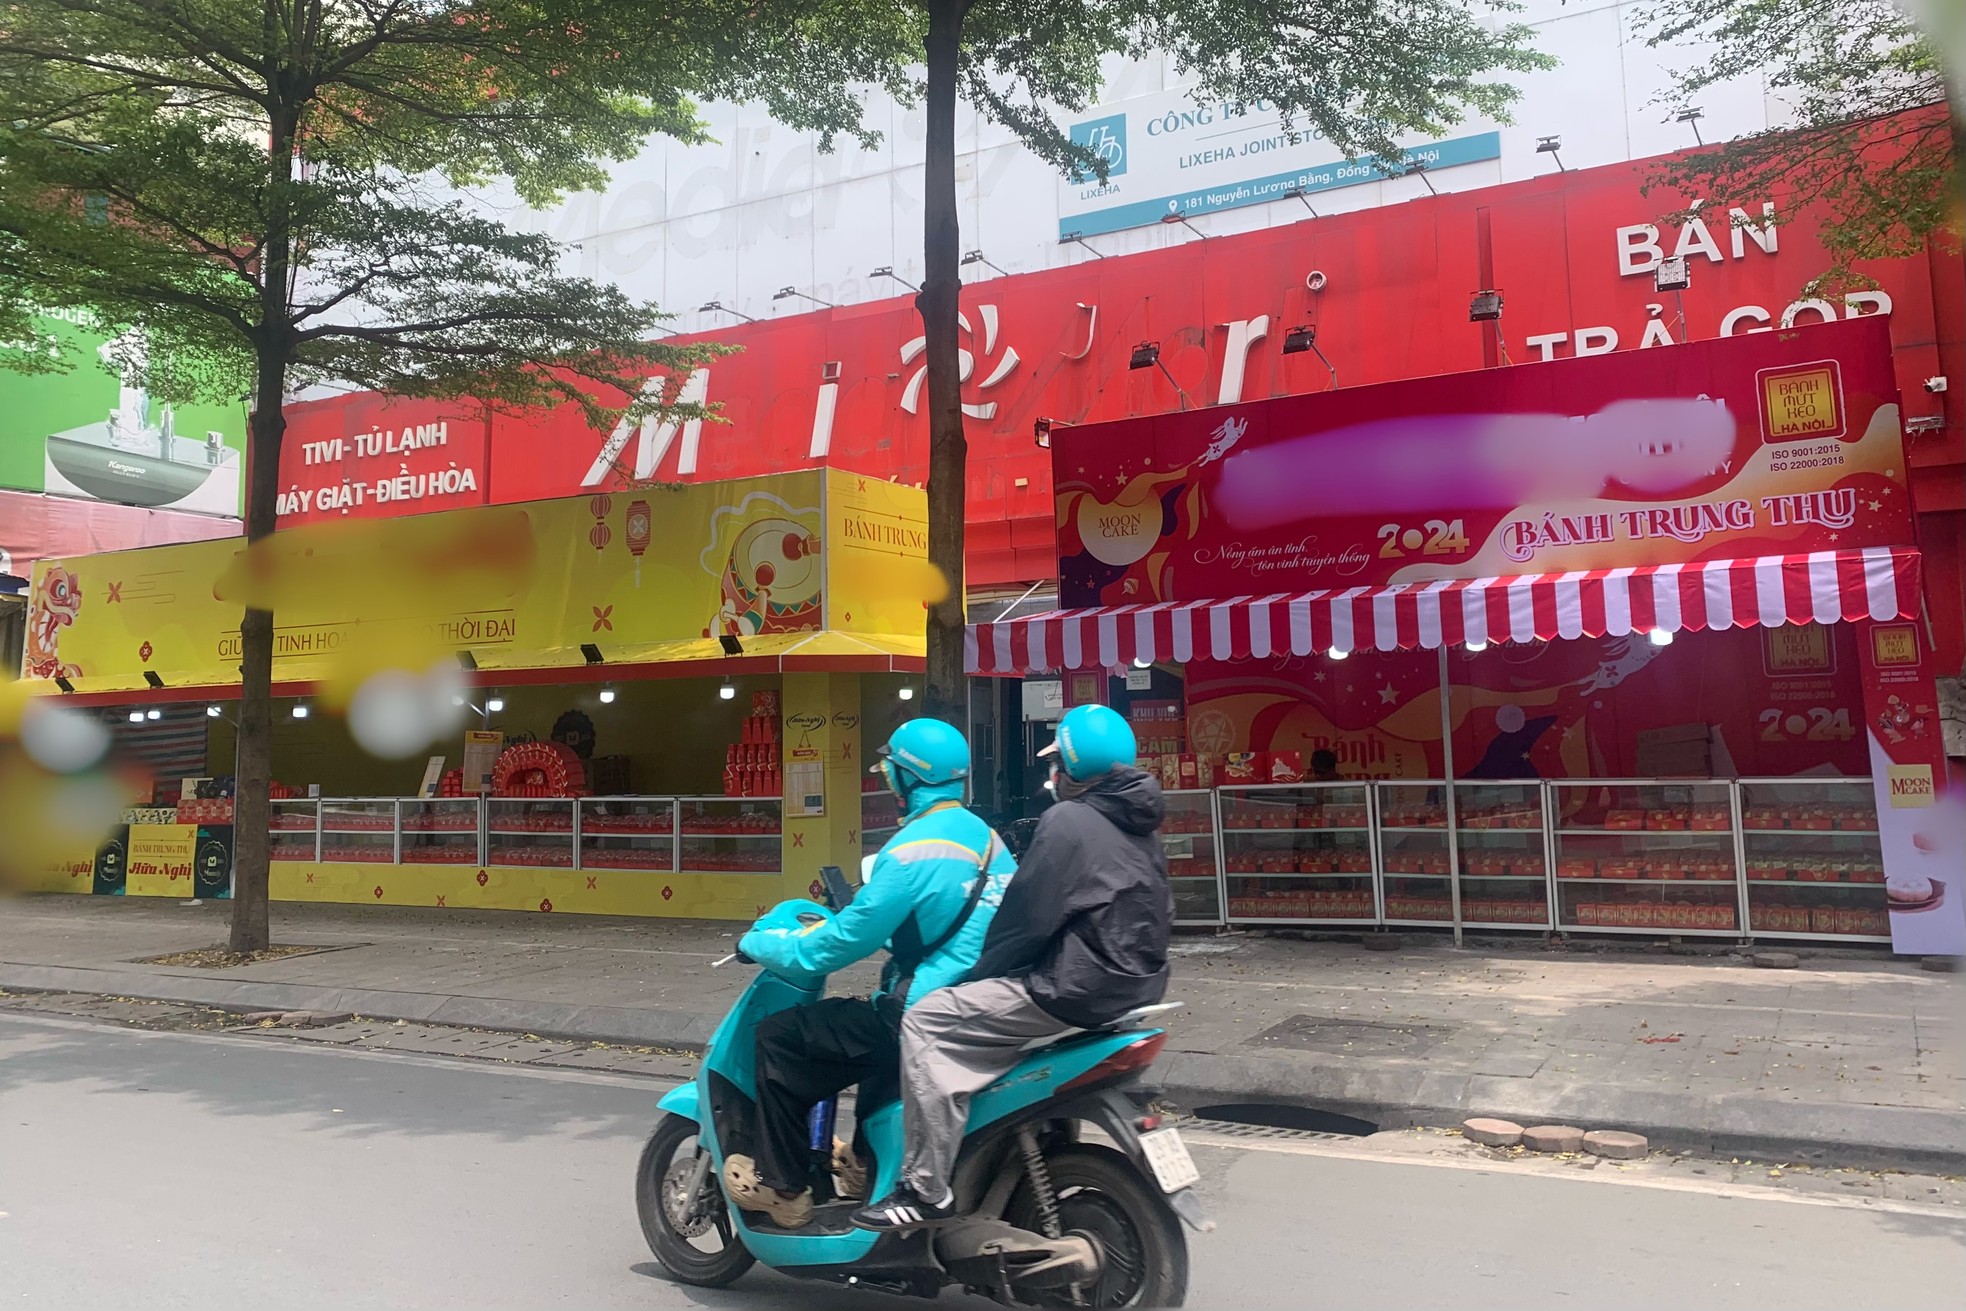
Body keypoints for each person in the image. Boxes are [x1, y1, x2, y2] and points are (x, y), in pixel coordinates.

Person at [852, 703, 1173, 1231]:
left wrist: (981, 974)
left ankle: (923, 1188)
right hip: (1135, 985)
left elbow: (1027, 920)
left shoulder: (1068, 820)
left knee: (930, 1019)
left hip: (1073, 986)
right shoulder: (1141, 825)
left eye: (1057, 763)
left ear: (1070, 768)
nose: (1051, 774)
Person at [722, 718, 1015, 1230]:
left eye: (890, 772)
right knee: (865, 1033)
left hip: (922, 1008)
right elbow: (942, 922)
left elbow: (827, 952)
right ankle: (860, 1165)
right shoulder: (988, 841)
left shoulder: (906, 853)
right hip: (976, 1002)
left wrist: (755, 943)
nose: (887, 782)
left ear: (908, 779)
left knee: (783, 1039)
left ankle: (784, 1186)